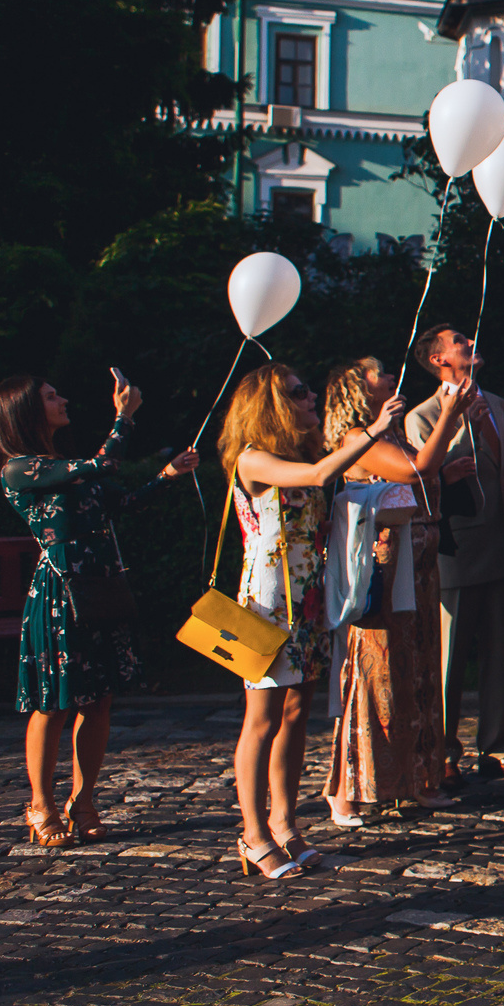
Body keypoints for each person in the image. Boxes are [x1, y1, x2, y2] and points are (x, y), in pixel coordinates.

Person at [0, 372, 198, 847]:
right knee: (53, 704)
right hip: (62, 595)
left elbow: (120, 502)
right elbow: (105, 463)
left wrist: (168, 476)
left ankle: (83, 802)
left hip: (102, 587)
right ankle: (41, 805)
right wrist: (123, 415)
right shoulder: (19, 469)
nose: (62, 399)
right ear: (24, 411)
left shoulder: (62, 464)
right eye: (50, 396)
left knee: (99, 699)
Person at [222, 363, 400, 879]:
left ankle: (285, 823)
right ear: (271, 404)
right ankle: (253, 834)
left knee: (297, 713)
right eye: (299, 392)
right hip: (267, 602)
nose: (311, 397)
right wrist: (371, 430)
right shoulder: (253, 459)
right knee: (261, 718)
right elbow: (320, 477)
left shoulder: (297, 453)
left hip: (309, 599)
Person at [319, 357, 469, 826]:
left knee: (418, 670)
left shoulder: (393, 436)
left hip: (418, 567)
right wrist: (448, 414)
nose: (389, 375)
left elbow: (423, 476)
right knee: (376, 672)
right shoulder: (355, 441)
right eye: (376, 372)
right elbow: (414, 470)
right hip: (383, 573)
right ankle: (348, 787)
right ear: (355, 391)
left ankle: (417, 776)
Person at [404, 327, 504, 790]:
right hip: (455, 549)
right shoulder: (422, 416)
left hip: (500, 539)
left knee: (501, 651)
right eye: (459, 341)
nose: (470, 342)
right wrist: (445, 472)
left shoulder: (497, 404)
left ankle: (497, 747)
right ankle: (443, 749)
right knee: (449, 657)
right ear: (438, 360)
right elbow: (416, 479)